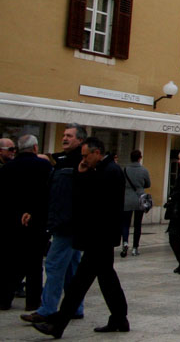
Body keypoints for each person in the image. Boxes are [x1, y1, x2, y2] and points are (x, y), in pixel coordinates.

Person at [34, 137, 129, 338]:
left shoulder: (109, 172)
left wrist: (80, 175)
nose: (84, 160)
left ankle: (58, 324)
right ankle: (120, 319)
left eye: (86, 156)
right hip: (101, 236)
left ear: (97, 153)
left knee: (80, 283)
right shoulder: (105, 170)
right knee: (107, 280)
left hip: (99, 236)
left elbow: (91, 200)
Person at [22, 138, 85, 324]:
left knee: (54, 264)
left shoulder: (76, 165)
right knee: (72, 268)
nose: (64, 137)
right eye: (63, 134)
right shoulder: (62, 162)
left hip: (66, 223)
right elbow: (51, 192)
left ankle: (47, 309)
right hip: (67, 222)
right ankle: (76, 307)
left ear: (79, 140)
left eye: (69, 135)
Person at [0, 135, 52, 311]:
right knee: (35, 264)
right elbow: (47, 193)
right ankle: (32, 301)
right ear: (35, 148)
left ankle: (4, 299)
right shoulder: (44, 166)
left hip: (11, 221)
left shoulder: (7, 168)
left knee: (11, 261)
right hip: (36, 221)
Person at [121, 150, 151, 258]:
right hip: (140, 199)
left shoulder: (125, 170)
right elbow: (148, 184)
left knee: (125, 224)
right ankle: (135, 248)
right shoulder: (144, 170)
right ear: (140, 158)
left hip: (127, 199)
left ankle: (125, 242)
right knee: (138, 224)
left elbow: (121, 183)